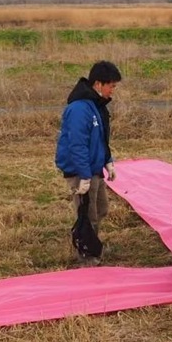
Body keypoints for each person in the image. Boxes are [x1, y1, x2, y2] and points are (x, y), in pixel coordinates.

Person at [55, 60, 121, 263]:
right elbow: (77, 145)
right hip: (81, 171)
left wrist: (108, 160)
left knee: (101, 209)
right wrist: (83, 176)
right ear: (98, 84)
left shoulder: (96, 106)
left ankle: (93, 243)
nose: (113, 90)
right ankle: (86, 254)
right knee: (87, 214)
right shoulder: (79, 109)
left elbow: (100, 138)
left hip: (94, 169)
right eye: (111, 86)